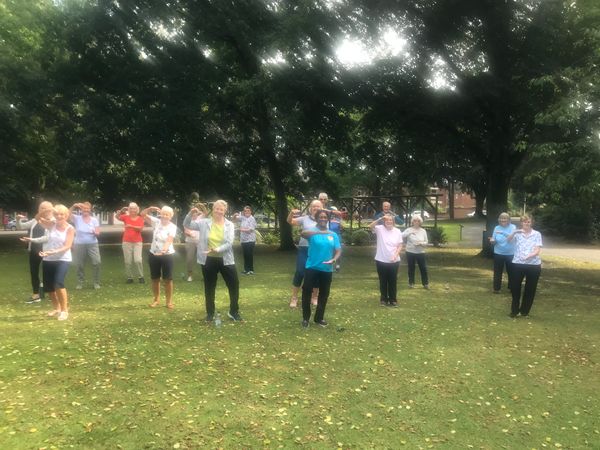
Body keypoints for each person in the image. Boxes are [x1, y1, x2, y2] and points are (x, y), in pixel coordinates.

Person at [184, 200, 242, 322]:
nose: (219, 211)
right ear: (213, 209)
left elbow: (229, 243)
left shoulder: (229, 225)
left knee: (234, 285)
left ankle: (233, 312)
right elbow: (187, 225)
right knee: (209, 287)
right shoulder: (204, 222)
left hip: (226, 259)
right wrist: (190, 214)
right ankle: (210, 313)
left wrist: (217, 249)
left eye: (221, 209)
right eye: (217, 208)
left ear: (225, 211)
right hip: (208, 259)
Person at [21, 205, 75, 320]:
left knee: (58, 283)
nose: (59, 216)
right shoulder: (51, 225)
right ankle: (57, 308)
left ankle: (64, 310)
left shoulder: (70, 228)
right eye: (56, 214)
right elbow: (37, 219)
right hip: (48, 259)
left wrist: (53, 251)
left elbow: (68, 246)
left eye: (62, 214)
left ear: (66, 216)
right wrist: (45, 210)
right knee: (49, 287)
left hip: (63, 259)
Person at [300, 210, 342, 328]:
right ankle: (305, 318)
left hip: (327, 269)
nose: (323, 219)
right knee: (307, 292)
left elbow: (338, 250)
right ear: (317, 219)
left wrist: (334, 259)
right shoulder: (312, 232)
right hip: (312, 267)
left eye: (325, 217)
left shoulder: (333, 234)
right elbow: (303, 233)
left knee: (324, 294)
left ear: (327, 219)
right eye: (321, 217)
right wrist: (320, 232)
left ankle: (319, 318)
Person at [287, 199, 323, 308]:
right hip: (304, 249)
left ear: (322, 207)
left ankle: (314, 297)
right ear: (310, 208)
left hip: (318, 250)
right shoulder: (305, 219)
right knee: (300, 272)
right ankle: (294, 298)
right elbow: (290, 221)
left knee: (317, 273)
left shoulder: (323, 219)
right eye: (313, 206)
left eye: (318, 206)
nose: (315, 208)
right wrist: (291, 213)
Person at [17, 201, 54, 303]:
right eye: (42, 208)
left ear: (52, 209)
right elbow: (21, 226)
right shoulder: (35, 221)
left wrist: (31, 239)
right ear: (38, 210)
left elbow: (47, 238)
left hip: (47, 251)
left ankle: (52, 294)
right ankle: (36, 294)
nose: (44, 210)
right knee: (34, 273)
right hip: (33, 250)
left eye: (47, 208)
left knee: (49, 273)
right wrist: (18, 219)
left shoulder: (53, 221)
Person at [141, 206, 177, 309]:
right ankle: (156, 300)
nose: (165, 216)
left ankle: (169, 302)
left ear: (171, 216)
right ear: (160, 214)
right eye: (163, 213)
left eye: (167, 214)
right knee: (155, 278)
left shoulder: (172, 227)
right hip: (153, 254)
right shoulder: (156, 222)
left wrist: (163, 251)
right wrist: (149, 208)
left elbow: (169, 240)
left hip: (167, 255)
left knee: (168, 279)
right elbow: (142, 214)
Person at [507, 215, 542, 318]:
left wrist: (530, 255)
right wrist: (514, 232)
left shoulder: (537, 234)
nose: (527, 223)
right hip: (517, 263)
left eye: (529, 222)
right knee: (515, 287)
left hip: (533, 265)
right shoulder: (517, 233)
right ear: (521, 223)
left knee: (530, 289)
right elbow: (508, 240)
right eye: (524, 222)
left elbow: (537, 249)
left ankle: (524, 312)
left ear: (532, 223)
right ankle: (514, 311)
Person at [370, 214, 403, 307]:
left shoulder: (397, 231)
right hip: (381, 260)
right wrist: (380, 218)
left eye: (391, 220)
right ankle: (383, 299)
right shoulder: (379, 229)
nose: (389, 222)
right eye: (387, 220)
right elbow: (370, 226)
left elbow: (400, 245)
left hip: (394, 261)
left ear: (393, 222)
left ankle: (393, 300)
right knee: (383, 280)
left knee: (393, 281)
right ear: (384, 222)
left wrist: (395, 255)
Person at [69, 202, 101, 289]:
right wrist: (74, 206)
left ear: (90, 210)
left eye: (87, 209)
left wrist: (95, 233)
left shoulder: (94, 220)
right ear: (81, 210)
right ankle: (80, 282)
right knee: (80, 264)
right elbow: (67, 215)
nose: (86, 210)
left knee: (97, 262)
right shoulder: (77, 218)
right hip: (79, 244)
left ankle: (96, 282)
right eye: (84, 209)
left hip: (92, 244)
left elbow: (98, 232)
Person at [116, 202, 145, 284]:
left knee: (138, 260)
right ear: (128, 209)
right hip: (126, 242)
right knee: (128, 261)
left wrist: (130, 226)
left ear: (137, 209)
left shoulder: (140, 218)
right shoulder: (125, 217)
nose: (133, 210)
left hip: (137, 242)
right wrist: (121, 210)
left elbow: (140, 229)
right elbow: (117, 217)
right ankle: (129, 277)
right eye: (131, 208)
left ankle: (141, 276)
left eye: (134, 208)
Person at [489, 212, 516, 294]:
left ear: (509, 220)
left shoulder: (513, 227)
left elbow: (510, 239)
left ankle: (512, 288)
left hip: (510, 253)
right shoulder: (496, 228)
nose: (503, 220)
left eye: (505, 218)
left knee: (512, 272)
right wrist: (492, 241)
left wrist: (502, 233)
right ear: (499, 220)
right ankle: (496, 288)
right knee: (497, 271)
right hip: (498, 253)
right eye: (501, 218)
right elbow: (494, 240)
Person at [402, 215, 429, 289]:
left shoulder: (423, 231)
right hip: (410, 251)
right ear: (412, 222)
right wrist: (409, 233)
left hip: (420, 252)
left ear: (420, 222)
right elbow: (402, 236)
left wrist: (421, 243)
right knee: (411, 268)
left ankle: (425, 284)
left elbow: (426, 242)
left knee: (423, 268)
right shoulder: (409, 229)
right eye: (415, 220)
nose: (416, 222)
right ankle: (411, 283)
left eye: (418, 221)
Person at [183, 205, 206, 282]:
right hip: (190, 241)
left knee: (203, 258)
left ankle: (204, 275)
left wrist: (201, 206)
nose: (194, 214)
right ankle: (190, 276)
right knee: (190, 259)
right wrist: (190, 234)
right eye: (192, 212)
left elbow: (206, 212)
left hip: (200, 242)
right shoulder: (187, 219)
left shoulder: (200, 218)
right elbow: (186, 231)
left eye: (195, 212)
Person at [233, 206, 257, 275]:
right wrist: (235, 215)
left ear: (250, 211)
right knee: (245, 255)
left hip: (250, 240)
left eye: (248, 211)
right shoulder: (243, 217)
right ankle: (246, 270)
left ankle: (250, 270)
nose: (247, 212)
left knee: (249, 255)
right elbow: (234, 220)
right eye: (245, 211)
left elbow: (251, 229)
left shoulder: (252, 219)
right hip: (243, 240)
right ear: (244, 212)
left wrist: (241, 229)